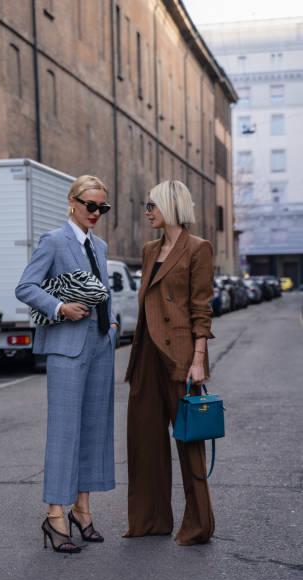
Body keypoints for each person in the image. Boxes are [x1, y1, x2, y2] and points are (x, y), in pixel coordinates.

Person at [15, 175, 118, 554]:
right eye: (90, 205)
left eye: (102, 208)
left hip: (100, 345)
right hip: (67, 347)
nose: (96, 213)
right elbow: (26, 286)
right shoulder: (54, 241)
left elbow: (101, 290)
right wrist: (59, 307)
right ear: (73, 202)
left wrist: (111, 323)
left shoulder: (101, 246)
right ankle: (55, 515)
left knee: (94, 429)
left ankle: (83, 510)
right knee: (64, 432)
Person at [124, 179, 215, 545]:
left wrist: (198, 360)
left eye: (152, 206)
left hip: (180, 355)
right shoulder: (149, 250)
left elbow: (201, 309)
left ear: (171, 206)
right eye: (146, 206)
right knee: (143, 439)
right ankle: (150, 520)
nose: (147, 212)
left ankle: (198, 525)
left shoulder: (198, 248)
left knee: (189, 441)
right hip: (146, 353)